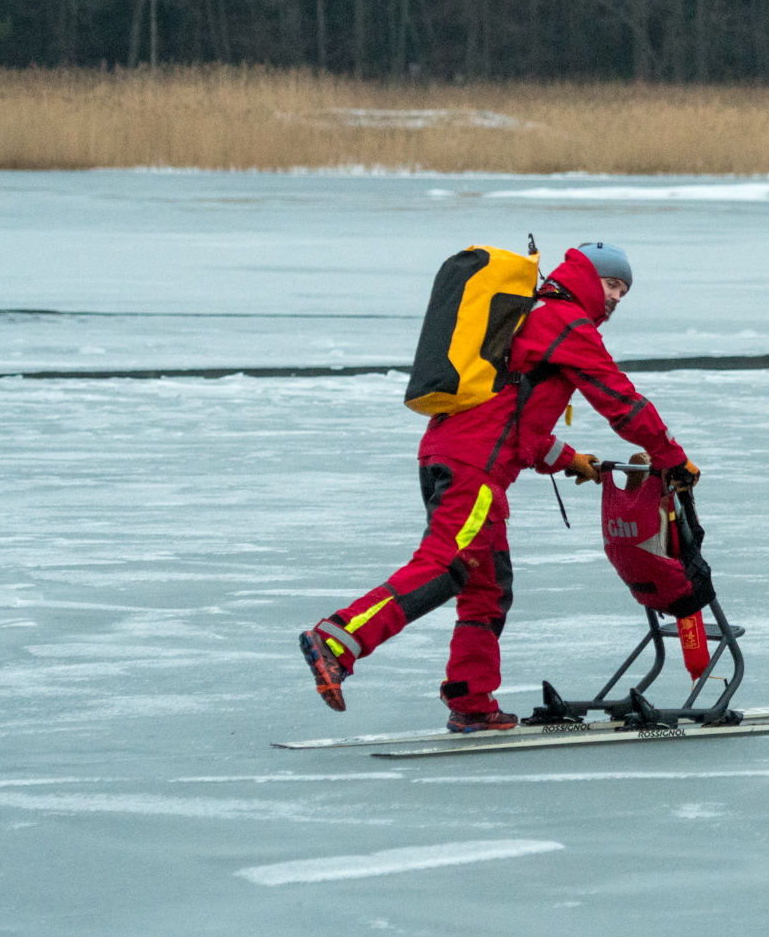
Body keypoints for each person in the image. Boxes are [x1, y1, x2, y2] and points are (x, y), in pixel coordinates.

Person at [298, 242, 700, 732]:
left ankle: (471, 701)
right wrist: (671, 456)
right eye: (612, 285)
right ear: (587, 279)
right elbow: (620, 400)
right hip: (474, 468)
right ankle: (339, 639)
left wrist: (569, 458)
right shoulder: (564, 320)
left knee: (487, 588)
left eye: (623, 290)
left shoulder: (538, 316)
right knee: (444, 565)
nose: (616, 297)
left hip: (454, 453)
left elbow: (518, 422)